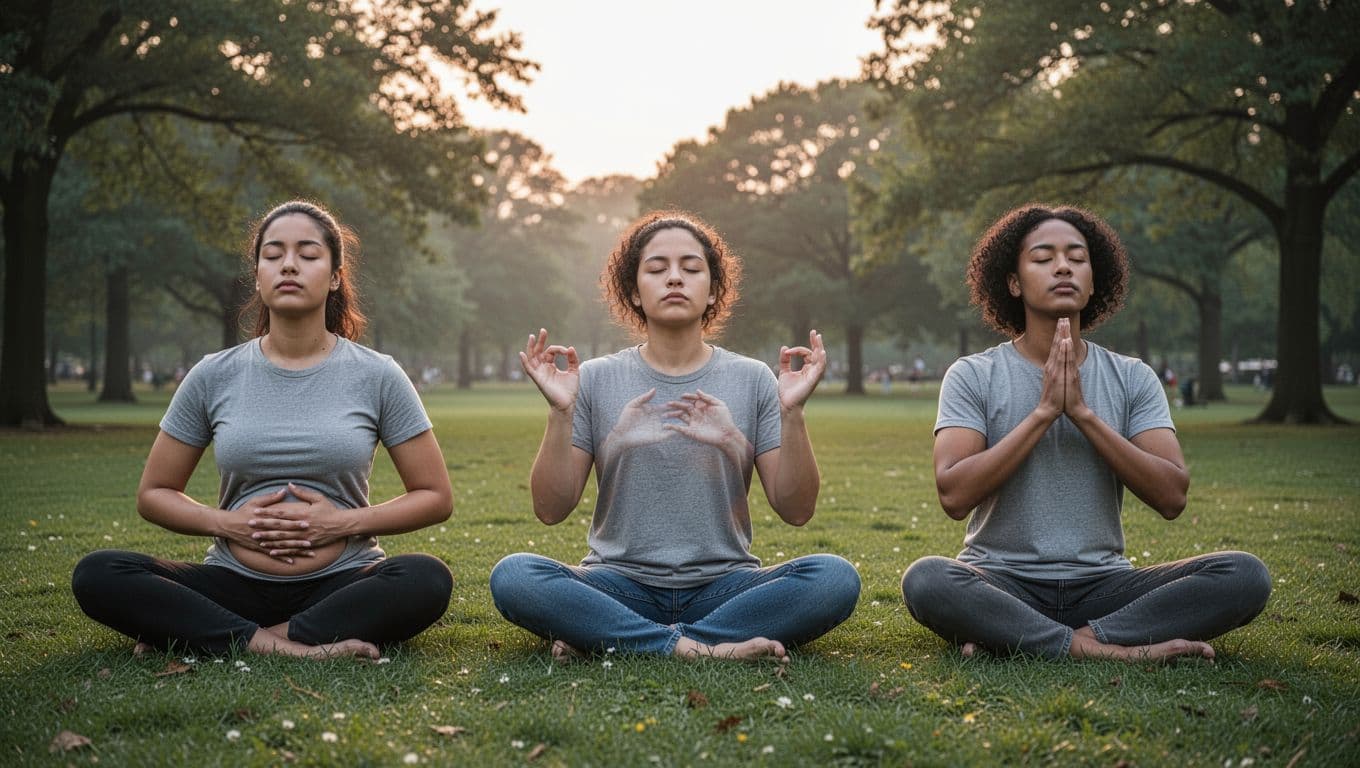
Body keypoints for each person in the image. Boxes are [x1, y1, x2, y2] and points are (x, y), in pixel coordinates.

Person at [72, 200, 454, 659]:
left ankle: (218, 636)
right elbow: (154, 493)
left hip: (343, 581)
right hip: (232, 582)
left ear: (335, 276)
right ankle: (289, 645)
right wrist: (229, 524)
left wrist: (340, 523)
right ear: (257, 275)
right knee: (98, 573)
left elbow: (435, 496)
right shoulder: (214, 374)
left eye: (308, 254)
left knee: (426, 578)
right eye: (273, 255)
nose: (288, 265)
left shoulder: (377, 375)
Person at [901, 204, 1270, 662]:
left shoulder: (1132, 377)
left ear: (1093, 281)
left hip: (1105, 585)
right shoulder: (973, 375)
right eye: (1043, 258)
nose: (1062, 267)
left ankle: (1034, 639)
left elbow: (1172, 496)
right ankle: (1105, 647)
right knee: (927, 579)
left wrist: (1082, 415)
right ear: (1013, 282)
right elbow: (954, 495)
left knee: (1244, 575)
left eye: (1077, 258)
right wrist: (1041, 415)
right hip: (1001, 581)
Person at [490, 211, 860, 663]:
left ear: (711, 293)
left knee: (835, 578)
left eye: (690, 268)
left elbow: (797, 510)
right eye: (657, 268)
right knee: (514, 575)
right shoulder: (594, 379)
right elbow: (550, 509)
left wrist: (787, 415)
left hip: (724, 586)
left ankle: (618, 638)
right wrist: (563, 413)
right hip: (617, 583)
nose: (674, 279)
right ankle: (700, 647)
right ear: (633, 292)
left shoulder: (754, 379)